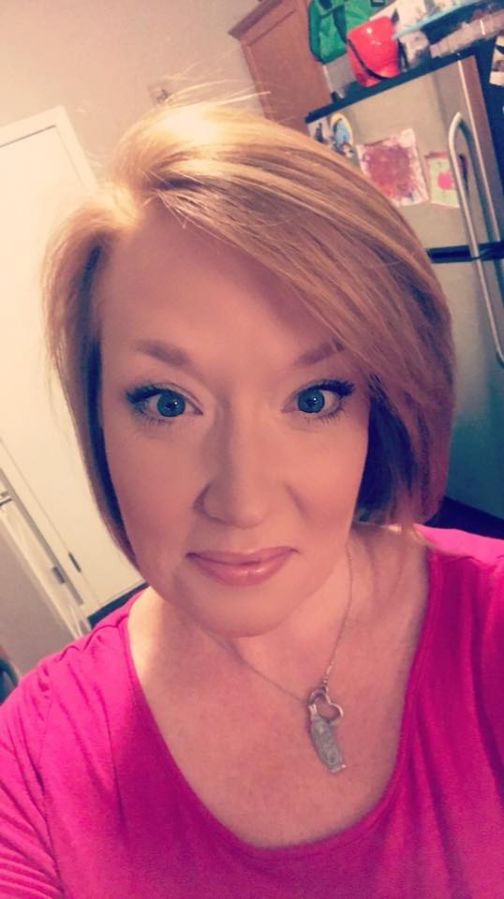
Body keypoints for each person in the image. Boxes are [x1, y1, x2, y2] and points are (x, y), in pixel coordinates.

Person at [0, 96, 503, 899]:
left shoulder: (490, 626)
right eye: (169, 402)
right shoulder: (35, 758)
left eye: (313, 398)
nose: (242, 502)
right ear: (97, 417)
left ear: (378, 408)